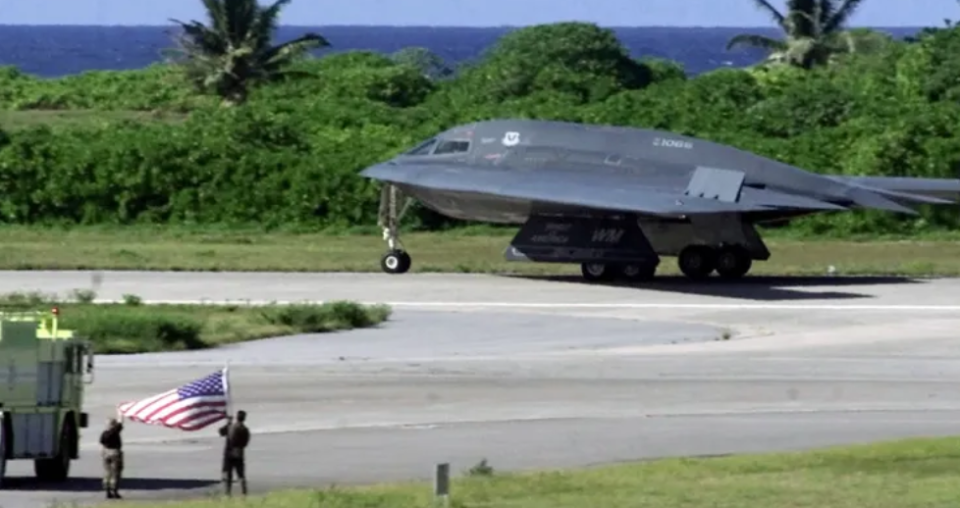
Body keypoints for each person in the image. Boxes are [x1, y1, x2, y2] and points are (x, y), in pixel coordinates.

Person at [218, 410, 250, 496]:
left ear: (237, 417)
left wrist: (228, 423)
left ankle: (227, 493)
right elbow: (246, 443)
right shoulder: (245, 429)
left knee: (228, 475)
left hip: (229, 453)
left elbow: (221, 432)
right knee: (241, 474)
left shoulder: (231, 427)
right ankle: (244, 492)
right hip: (239, 453)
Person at [99, 413, 124, 500]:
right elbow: (120, 423)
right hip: (115, 452)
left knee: (107, 472)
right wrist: (120, 414)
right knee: (116, 472)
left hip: (106, 452)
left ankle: (107, 490)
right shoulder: (114, 431)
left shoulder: (104, 433)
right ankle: (115, 491)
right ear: (113, 425)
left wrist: (103, 452)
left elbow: (102, 443)